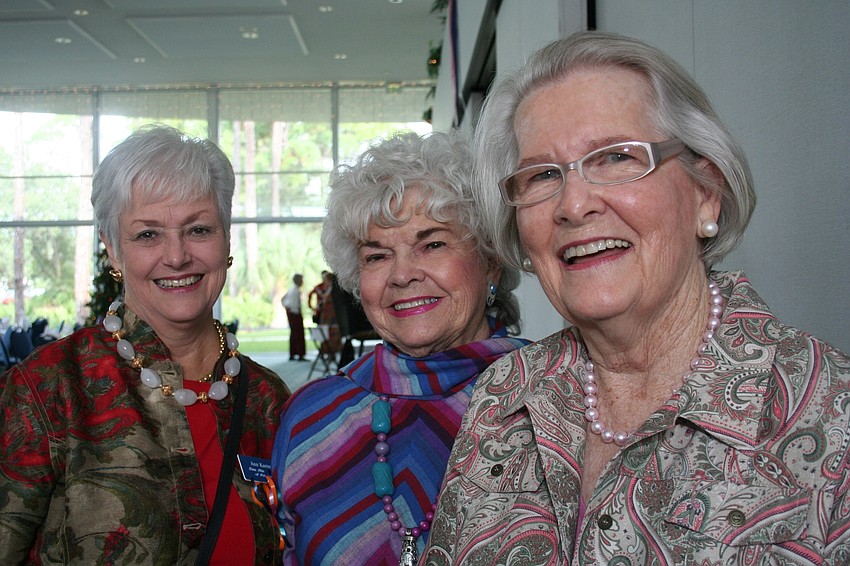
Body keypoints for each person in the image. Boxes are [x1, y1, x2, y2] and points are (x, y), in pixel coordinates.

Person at [422, 31, 850, 564]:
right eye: (543, 175)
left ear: (706, 194)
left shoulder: (832, 416)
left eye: (616, 158)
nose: (573, 205)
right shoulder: (503, 393)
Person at [0, 125, 291, 565]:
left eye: (199, 229)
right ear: (113, 249)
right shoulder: (49, 388)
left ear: (227, 239)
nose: (176, 257)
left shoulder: (268, 400)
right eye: (148, 235)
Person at [270, 131, 529, 565]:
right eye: (377, 256)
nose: (402, 275)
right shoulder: (311, 417)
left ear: (491, 261)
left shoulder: (554, 394)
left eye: (432, 244)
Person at [282, 273, 306, 361]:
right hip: (294, 313)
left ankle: (293, 353)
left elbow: (283, 300)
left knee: (293, 333)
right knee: (298, 333)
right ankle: (300, 354)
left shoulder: (292, 289)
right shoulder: (296, 290)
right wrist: (297, 313)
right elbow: (295, 305)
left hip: (291, 312)